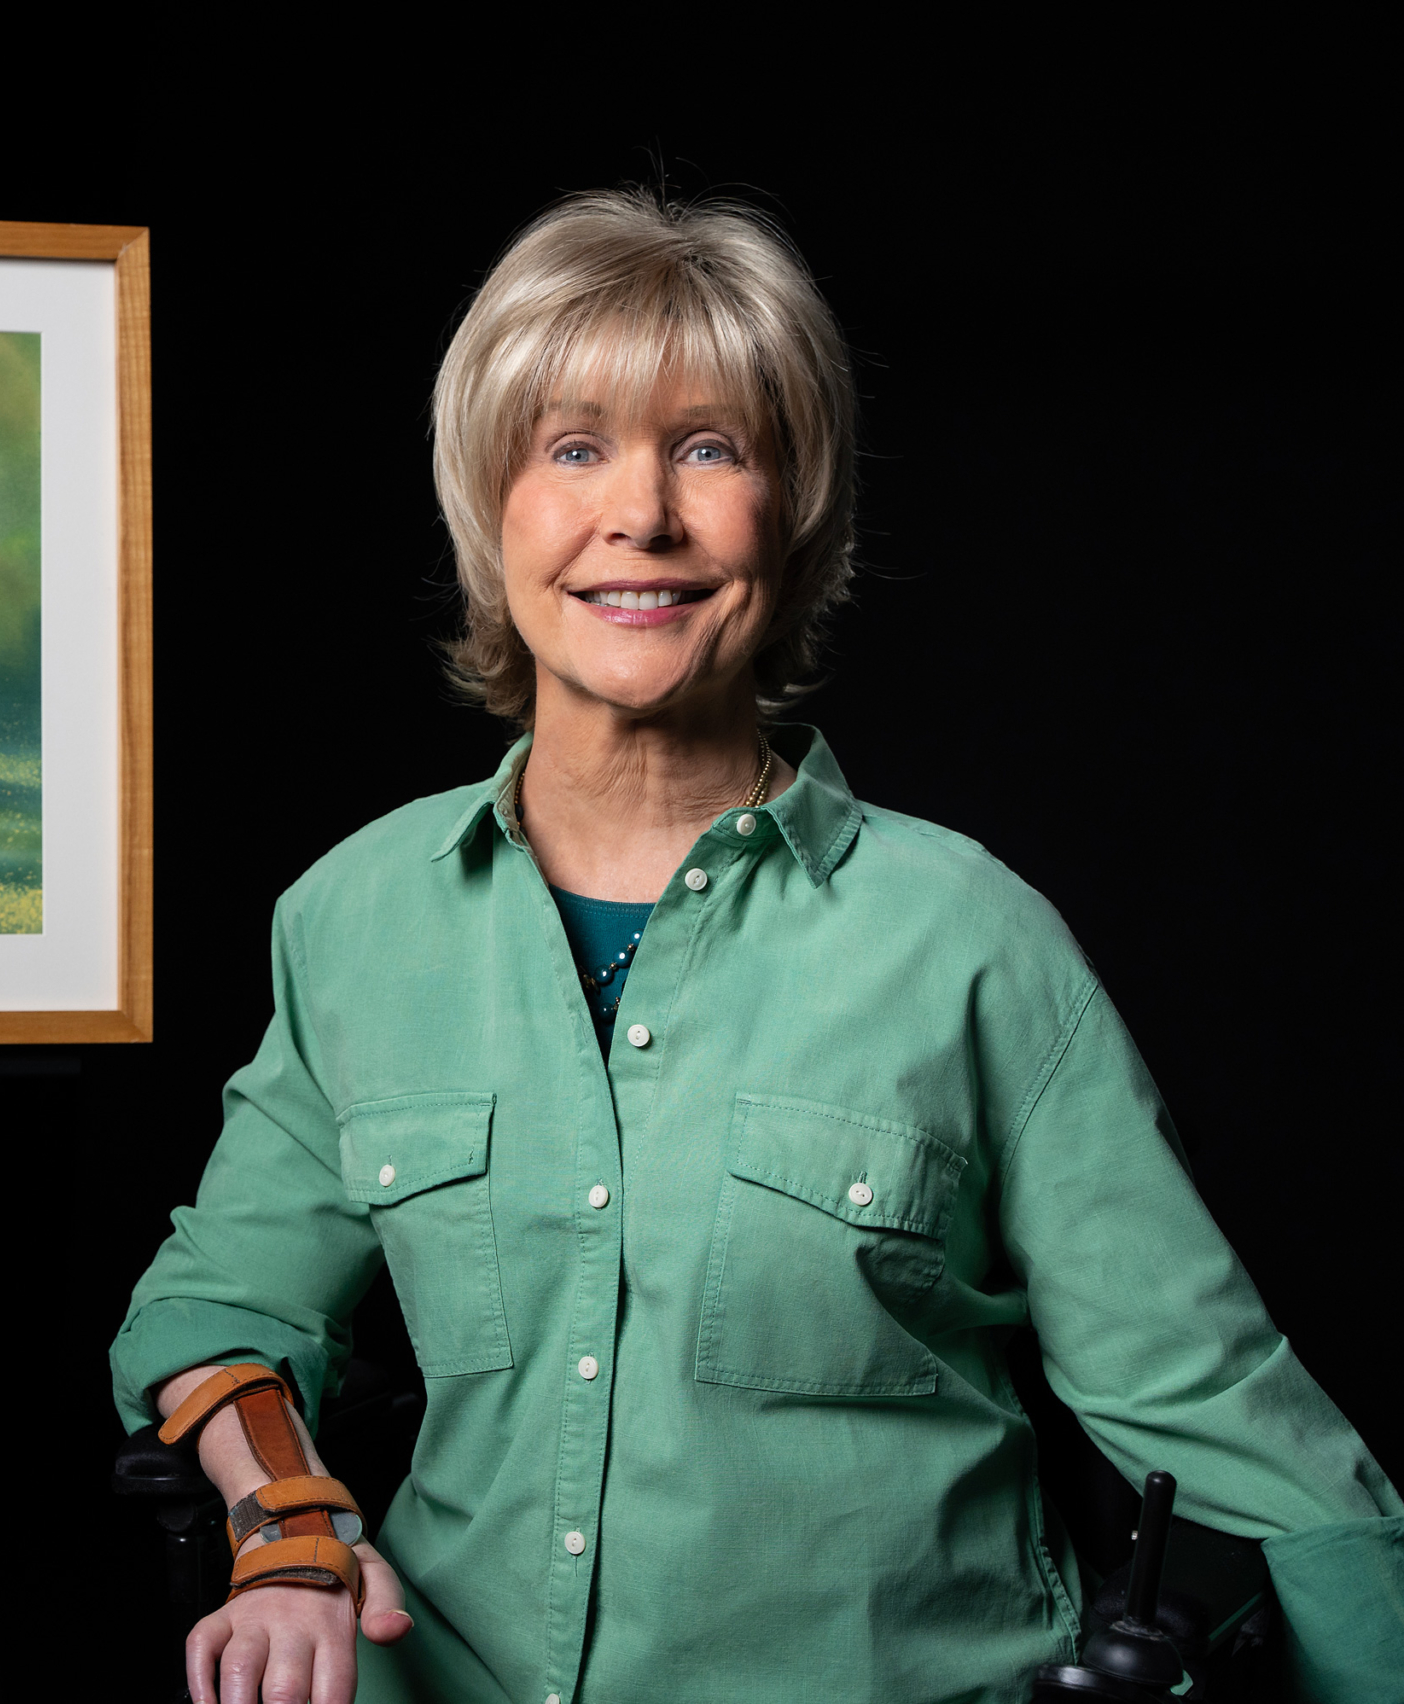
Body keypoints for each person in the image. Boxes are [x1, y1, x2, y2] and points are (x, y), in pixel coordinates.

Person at [109, 189, 1401, 1704]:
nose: (639, 516)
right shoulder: (352, 919)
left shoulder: (975, 942)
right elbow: (217, 1312)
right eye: (573, 447)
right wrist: (292, 1527)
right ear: (492, 509)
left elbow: (1224, 1419)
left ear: (793, 517)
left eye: (710, 448)